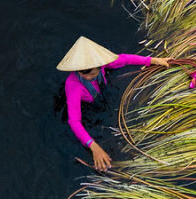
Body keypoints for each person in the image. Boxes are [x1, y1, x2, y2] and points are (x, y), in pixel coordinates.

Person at [57, 36, 171, 171]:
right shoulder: (73, 86)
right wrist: (94, 146)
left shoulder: (101, 63)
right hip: (90, 107)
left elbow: (125, 59)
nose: (87, 77)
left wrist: (153, 60)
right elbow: (74, 121)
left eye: (93, 74)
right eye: (83, 74)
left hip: (103, 95)